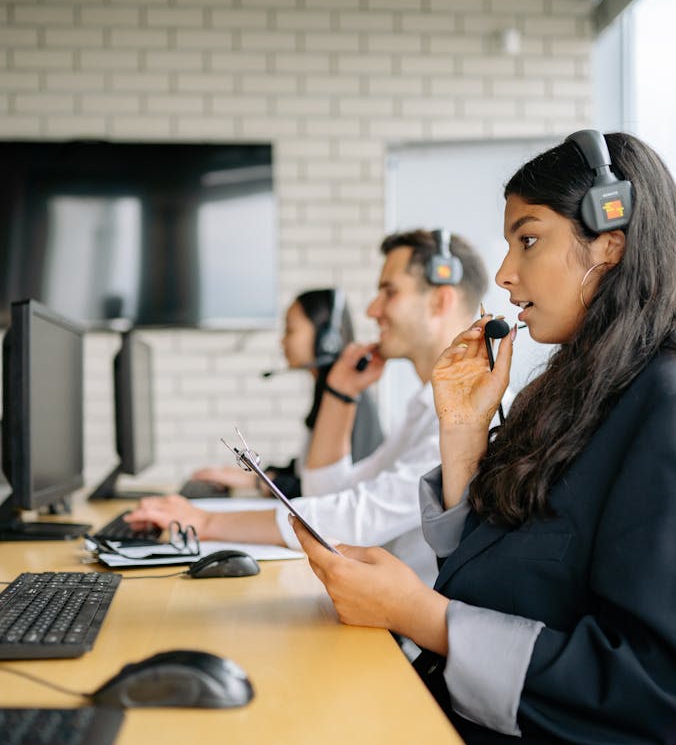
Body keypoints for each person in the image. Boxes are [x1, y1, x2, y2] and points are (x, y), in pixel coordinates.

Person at [289, 131, 676, 745]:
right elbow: (502, 568)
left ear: (610, 241)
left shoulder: (673, 405)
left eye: (528, 239)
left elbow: (651, 682)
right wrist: (463, 434)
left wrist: (419, 615)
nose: (506, 273)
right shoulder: (584, 388)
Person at [126, 229, 488, 585]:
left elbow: (356, 520)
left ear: (440, 300)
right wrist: (339, 393)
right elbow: (327, 494)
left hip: (407, 622)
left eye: (389, 292)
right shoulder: (422, 408)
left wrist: (207, 523)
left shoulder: (469, 416)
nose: (372, 309)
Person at [186, 288, 383, 499]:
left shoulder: (346, 401)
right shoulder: (326, 393)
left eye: (290, 330)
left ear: (327, 339)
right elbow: (306, 469)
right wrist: (258, 475)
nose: (282, 341)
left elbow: (329, 492)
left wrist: (256, 482)